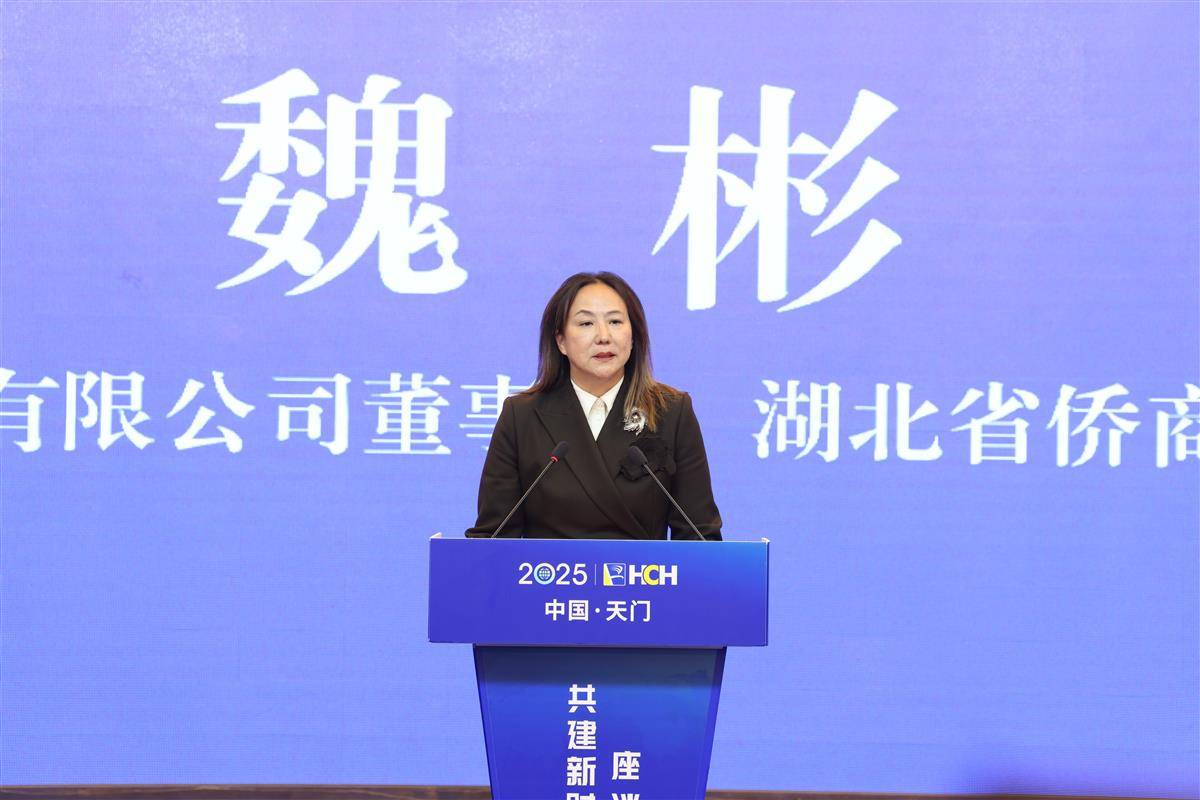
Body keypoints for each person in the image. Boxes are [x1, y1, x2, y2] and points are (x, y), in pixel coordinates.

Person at [466, 272, 722, 540]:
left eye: (615, 321)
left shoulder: (671, 412)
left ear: (633, 336)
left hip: (640, 568)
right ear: (561, 341)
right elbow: (493, 538)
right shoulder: (522, 416)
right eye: (586, 323)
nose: (603, 336)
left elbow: (700, 535)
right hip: (549, 568)